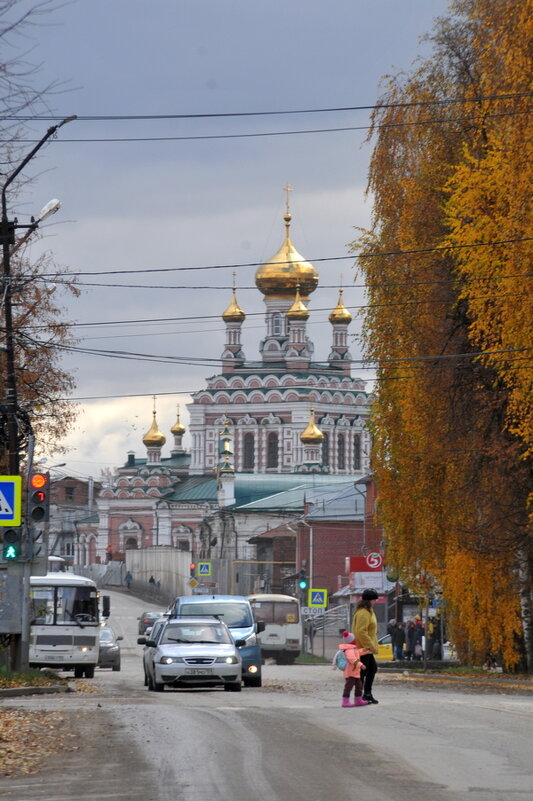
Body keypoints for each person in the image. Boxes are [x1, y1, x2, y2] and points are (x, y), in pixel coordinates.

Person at [351, 587, 380, 704]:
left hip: (366, 647)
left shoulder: (368, 611)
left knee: (371, 669)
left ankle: (366, 694)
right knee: (364, 671)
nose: (376, 601)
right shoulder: (363, 613)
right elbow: (361, 631)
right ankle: (361, 695)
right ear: (369, 600)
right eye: (374, 599)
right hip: (363, 648)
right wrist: (370, 645)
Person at [338, 630, 368, 708]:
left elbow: (360, 651)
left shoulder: (354, 649)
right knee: (348, 687)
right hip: (350, 673)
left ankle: (358, 700)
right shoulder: (349, 650)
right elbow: (352, 659)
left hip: (355, 672)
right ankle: (345, 701)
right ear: (353, 640)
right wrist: (360, 665)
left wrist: (369, 649)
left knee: (359, 686)